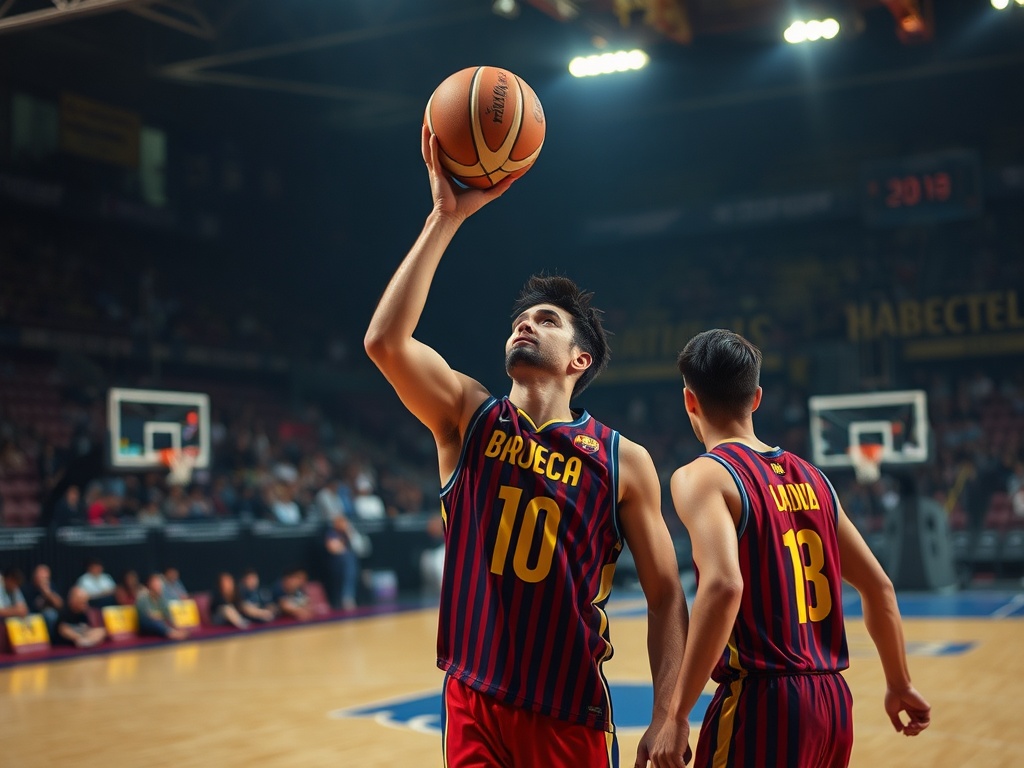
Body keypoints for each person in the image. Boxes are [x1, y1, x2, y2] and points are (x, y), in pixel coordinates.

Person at [363, 126, 689, 768]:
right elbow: (385, 343)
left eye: (547, 320)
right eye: (520, 318)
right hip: (474, 696)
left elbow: (666, 595)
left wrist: (668, 714)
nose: (525, 323)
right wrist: (444, 217)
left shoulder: (623, 460)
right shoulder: (467, 416)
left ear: (579, 359)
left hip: (569, 710)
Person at [666, 329, 931, 767]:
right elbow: (880, 587)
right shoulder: (816, 479)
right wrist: (899, 683)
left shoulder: (701, 476)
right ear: (756, 398)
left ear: (689, 401)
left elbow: (724, 586)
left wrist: (676, 715)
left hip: (762, 701)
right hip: (831, 704)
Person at [135, 572, 189, 640]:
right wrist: (161, 616)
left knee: (161, 622)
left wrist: (176, 626)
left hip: (159, 621)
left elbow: (167, 614)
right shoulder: (143, 597)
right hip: (145, 624)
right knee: (156, 622)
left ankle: (174, 631)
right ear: (150, 584)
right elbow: (149, 615)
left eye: (160, 584)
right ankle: (171, 633)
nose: (159, 586)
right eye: (156, 584)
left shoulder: (161, 599)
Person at [324, 514, 360, 611]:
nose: (344, 524)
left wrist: (349, 531)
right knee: (348, 558)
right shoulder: (331, 533)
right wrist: (342, 547)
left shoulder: (346, 534)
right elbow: (333, 549)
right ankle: (347, 597)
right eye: (341, 522)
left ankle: (348, 596)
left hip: (347, 562)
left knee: (350, 559)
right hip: (335, 562)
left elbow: (359, 547)